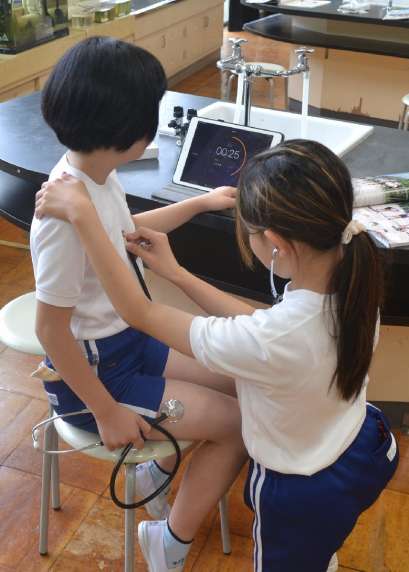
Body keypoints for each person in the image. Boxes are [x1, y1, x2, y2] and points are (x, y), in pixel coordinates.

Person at [35, 139, 399, 572]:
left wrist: (82, 215)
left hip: (302, 486)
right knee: (321, 541)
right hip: (363, 444)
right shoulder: (351, 282)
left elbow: (141, 312)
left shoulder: (273, 339)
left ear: (276, 244)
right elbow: (261, 328)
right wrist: (177, 274)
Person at [30, 35, 248, 571]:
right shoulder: (63, 215)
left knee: (241, 377)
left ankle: (156, 473)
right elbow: (50, 331)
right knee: (238, 426)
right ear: (132, 132)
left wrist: (199, 203)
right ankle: (168, 543)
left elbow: (122, 232)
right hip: (96, 379)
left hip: (129, 346)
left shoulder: (93, 178)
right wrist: (105, 412)